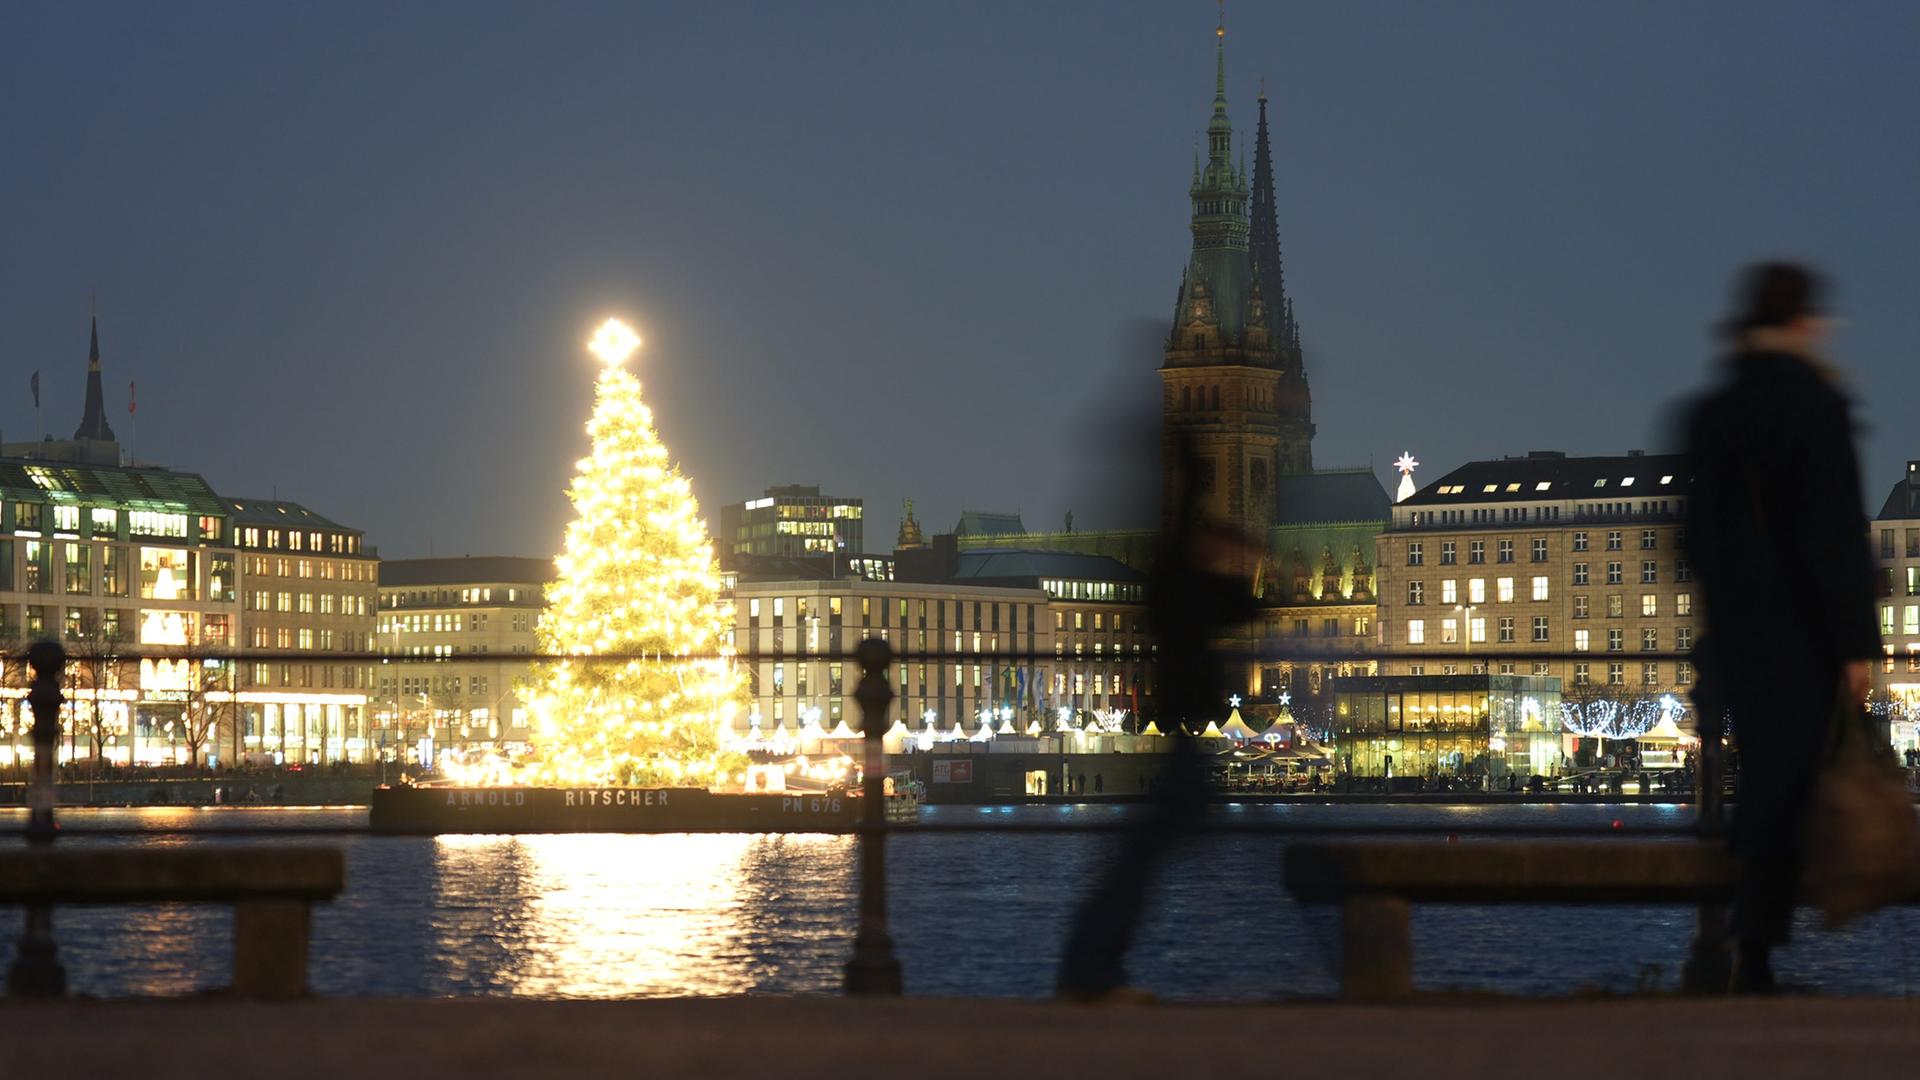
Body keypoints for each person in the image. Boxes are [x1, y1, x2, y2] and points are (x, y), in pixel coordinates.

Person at [1684, 262, 1879, 993]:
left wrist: (1730, 602)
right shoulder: (1817, 405)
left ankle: (1748, 948)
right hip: (1801, 637)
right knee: (1784, 783)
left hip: (1737, 634)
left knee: (1759, 775)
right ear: (1803, 321)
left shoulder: (1713, 410)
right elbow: (1834, 536)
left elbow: (1695, 536)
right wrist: (1855, 647)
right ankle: (1757, 954)